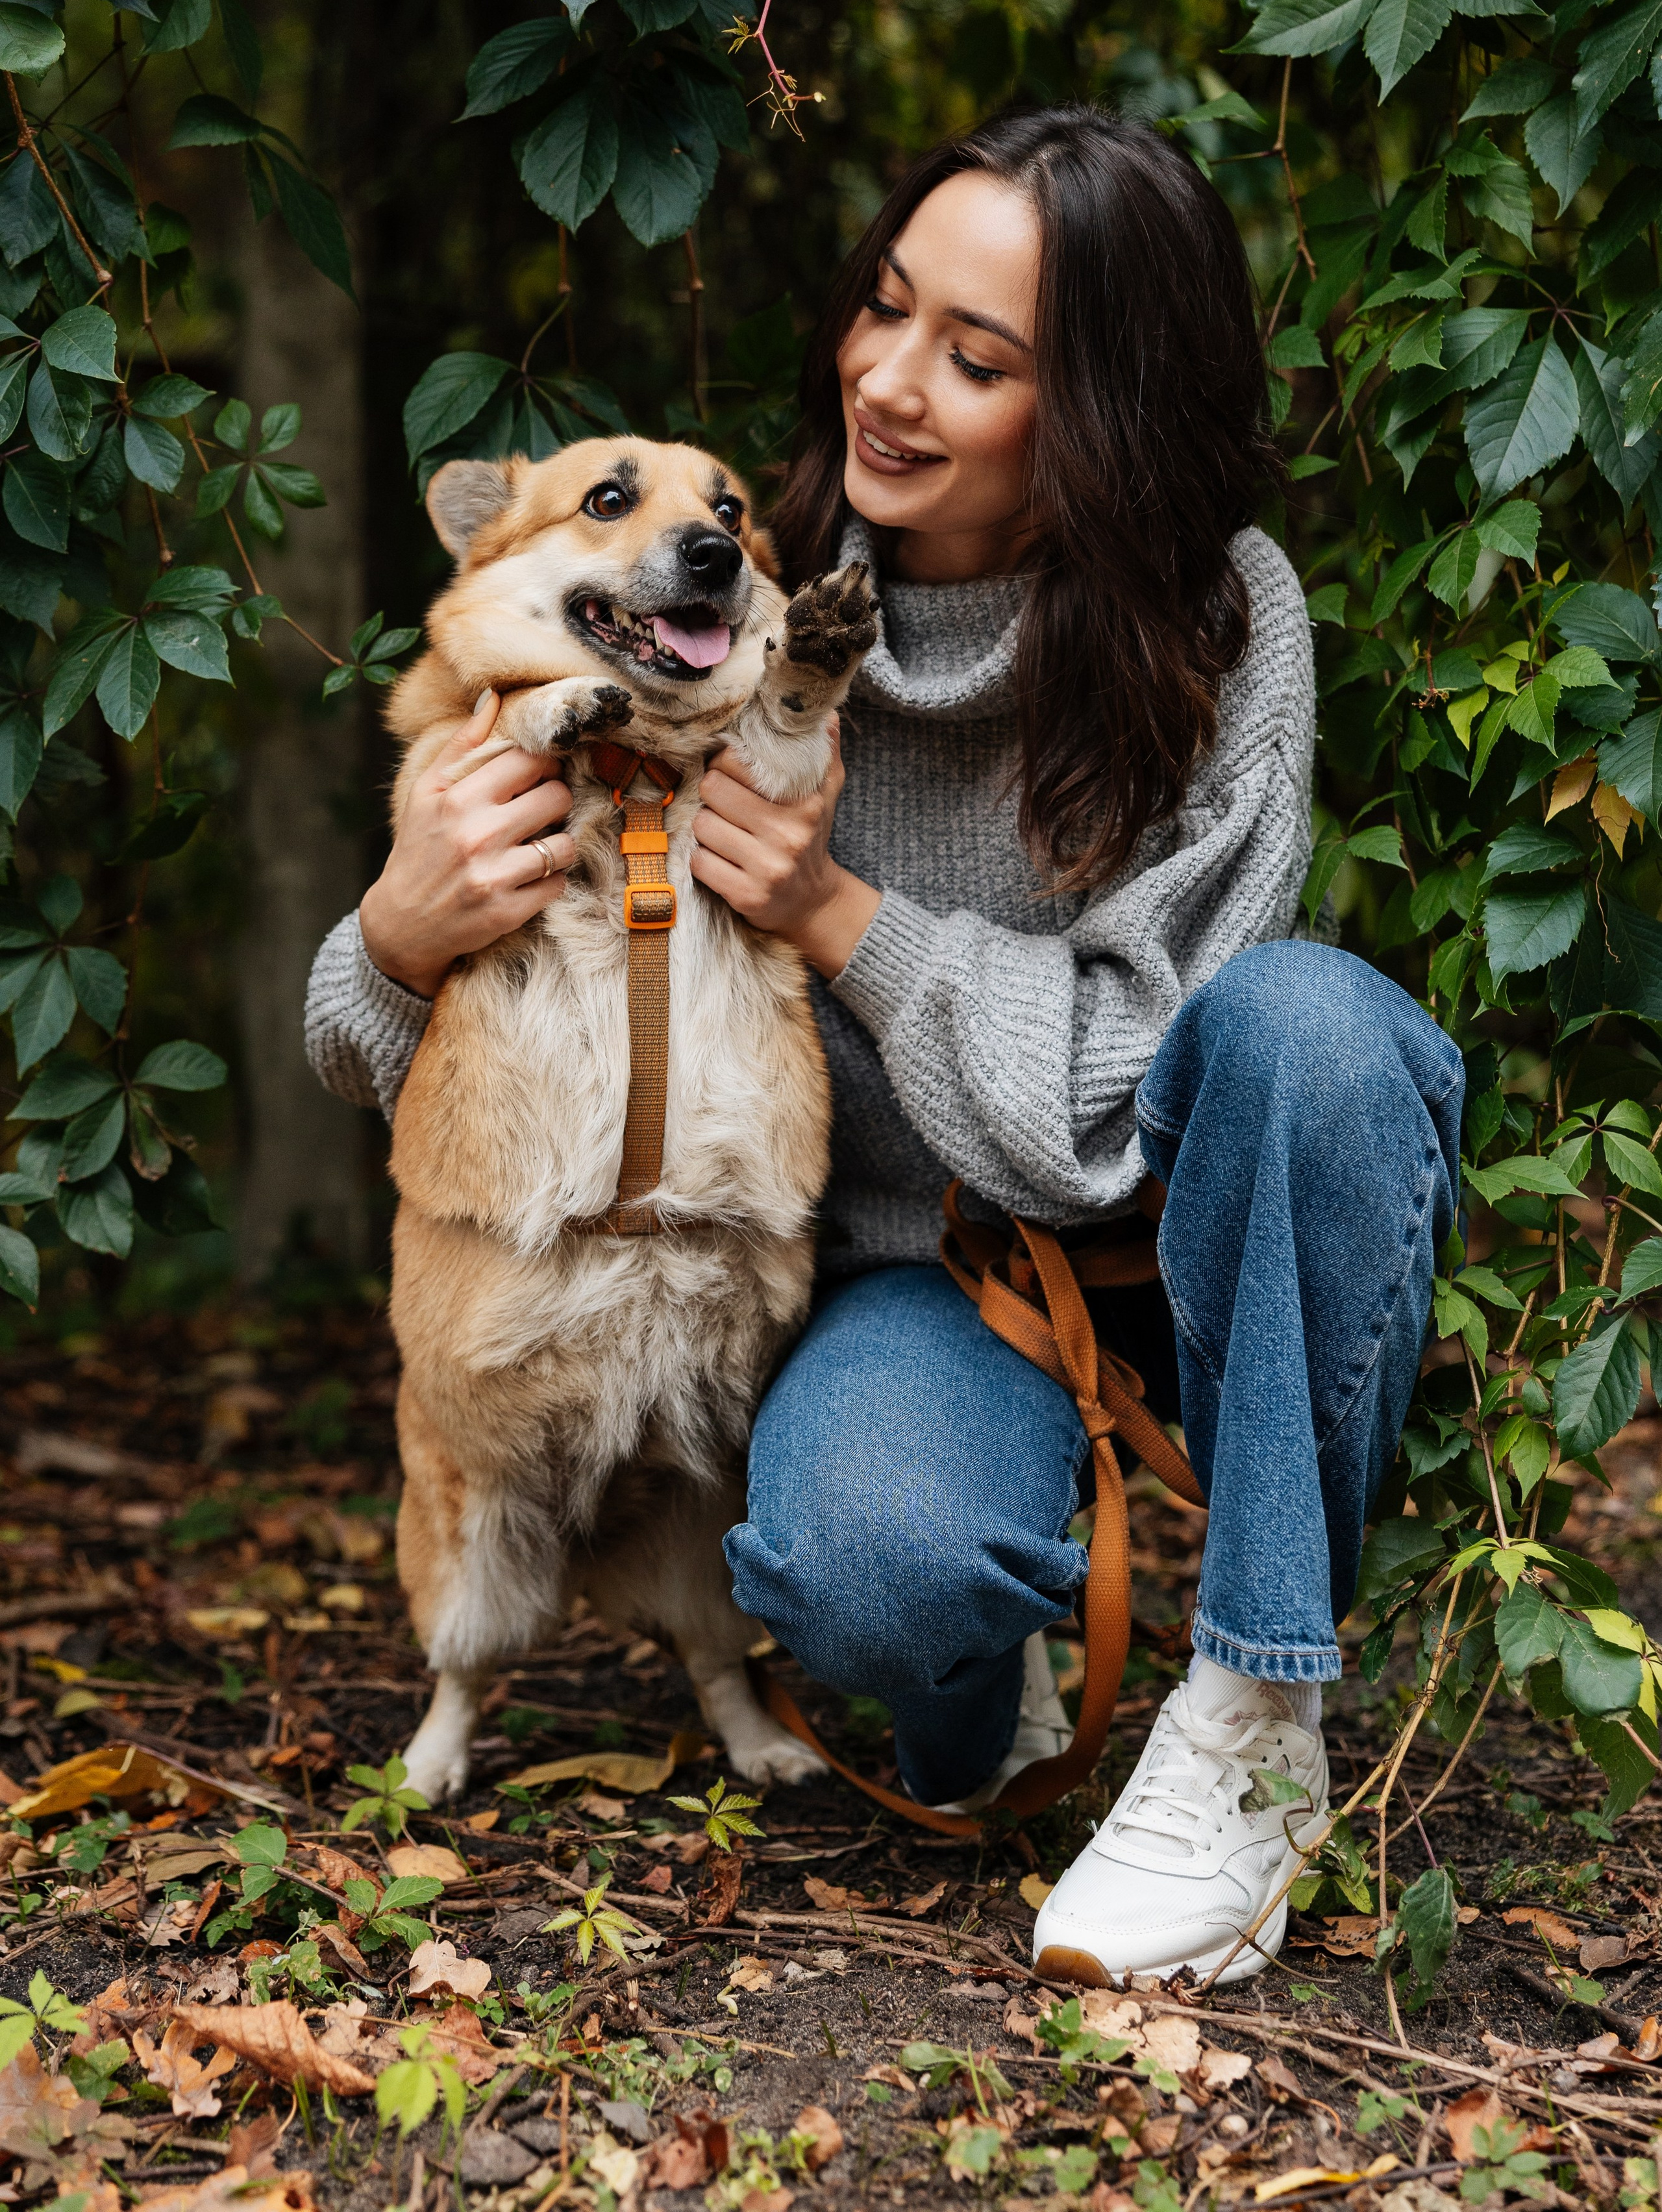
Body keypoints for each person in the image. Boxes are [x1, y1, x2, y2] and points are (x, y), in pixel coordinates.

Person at [305, 102, 1462, 1989]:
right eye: (885, 310)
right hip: (917, 1283)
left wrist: (843, 910)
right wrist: (392, 937)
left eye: (979, 358)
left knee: (1316, 1030)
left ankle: (1257, 1717)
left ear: (1104, 408)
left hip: (1193, 1244)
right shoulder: (719, 608)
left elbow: (1123, 1098)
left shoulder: (1224, 619)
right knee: (869, 1566)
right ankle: (970, 1638)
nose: (890, 383)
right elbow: (440, 1033)